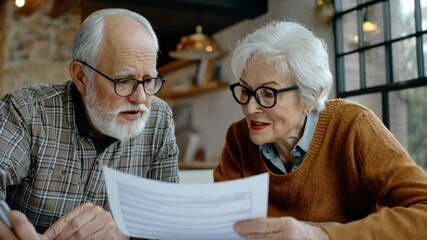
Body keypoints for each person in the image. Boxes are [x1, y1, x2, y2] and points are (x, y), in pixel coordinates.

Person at [214, 20, 427, 239]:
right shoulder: (238, 139)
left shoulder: (353, 124)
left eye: (268, 93)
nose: (249, 108)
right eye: (245, 91)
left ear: (312, 95)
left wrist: (320, 235)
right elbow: (222, 226)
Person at [0, 8, 179, 240]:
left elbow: (168, 218)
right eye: (124, 81)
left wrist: (120, 233)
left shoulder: (159, 119)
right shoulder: (26, 111)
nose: (141, 98)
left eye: (149, 81)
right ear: (82, 77)